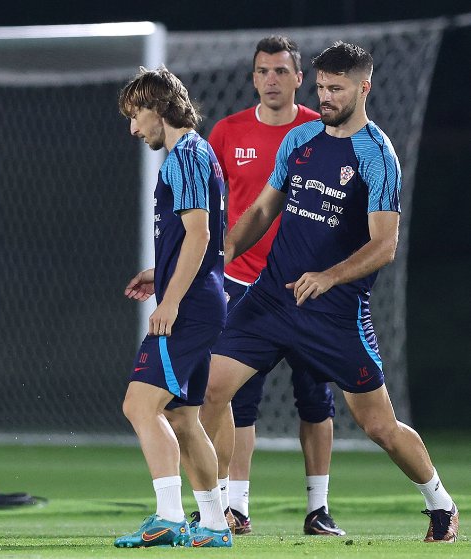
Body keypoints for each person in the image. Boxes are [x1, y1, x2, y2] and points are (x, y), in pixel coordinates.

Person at [200, 41, 459, 543]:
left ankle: (441, 505)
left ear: (364, 87)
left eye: (336, 88)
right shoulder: (300, 140)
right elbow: (259, 213)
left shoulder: (377, 155)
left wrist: (330, 276)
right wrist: (219, 257)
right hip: (272, 299)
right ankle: (215, 512)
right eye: (320, 86)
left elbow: (385, 244)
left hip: (335, 315)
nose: (325, 96)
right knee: (210, 388)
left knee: (380, 426)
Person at [207, 35, 343, 536]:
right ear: (253, 77)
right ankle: (235, 506)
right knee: (235, 400)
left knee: (315, 400)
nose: (271, 80)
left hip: (305, 288)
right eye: (262, 71)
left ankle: (317, 509)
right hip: (243, 286)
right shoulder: (226, 132)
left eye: (281, 71)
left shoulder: (320, 130)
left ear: (298, 78)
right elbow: (211, 209)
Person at [113, 66, 232, 549]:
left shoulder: (182, 156)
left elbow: (200, 233)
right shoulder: (200, 153)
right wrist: (158, 274)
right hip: (206, 298)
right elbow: (195, 237)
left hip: (192, 305)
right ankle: (215, 525)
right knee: (183, 417)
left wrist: (172, 300)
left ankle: (167, 517)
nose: (134, 129)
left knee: (139, 405)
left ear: (159, 108)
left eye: (137, 115)